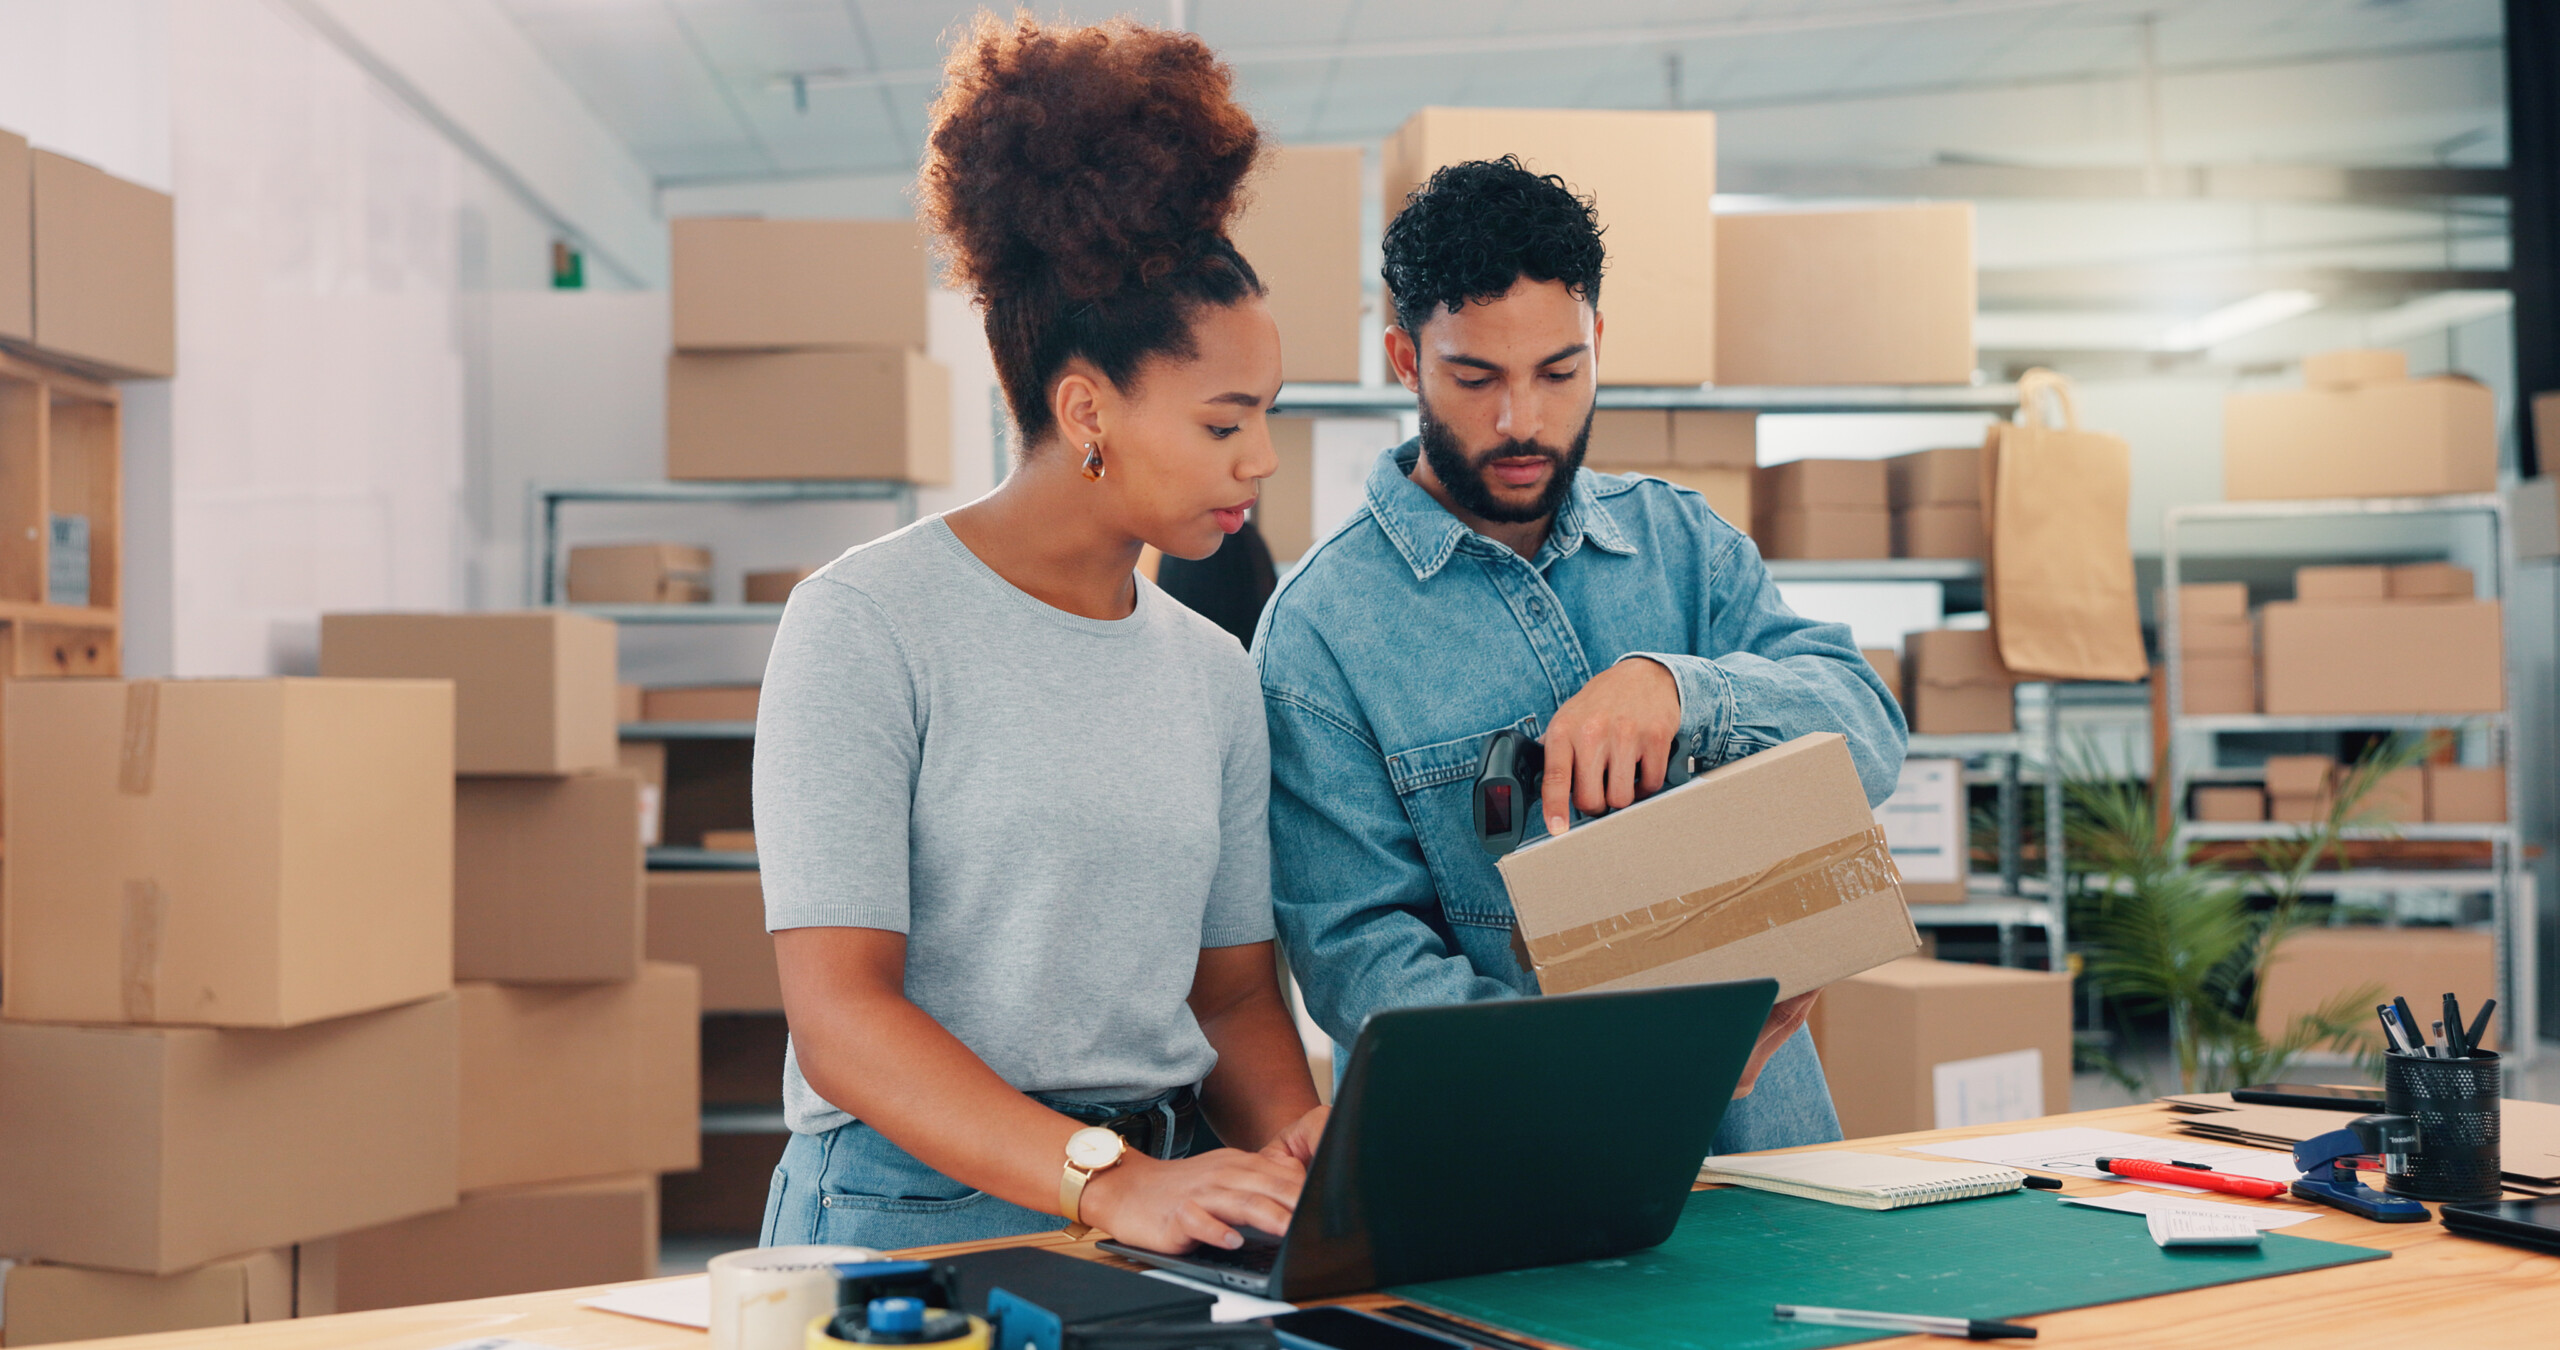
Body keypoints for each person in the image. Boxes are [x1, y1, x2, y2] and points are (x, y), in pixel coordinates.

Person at [754, 14, 1325, 1256]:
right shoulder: (863, 625)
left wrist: (1306, 1148)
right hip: (909, 1214)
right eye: (1226, 422)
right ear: (1087, 411)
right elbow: (840, 1014)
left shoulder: (1211, 671)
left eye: (1266, 417)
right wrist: (1106, 1179)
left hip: (1161, 1202)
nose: (1261, 459)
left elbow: (1227, 996)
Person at [1253, 157, 1906, 1153]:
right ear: (1403, 358)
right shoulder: (1319, 633)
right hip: (1513, 1168)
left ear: (1597, 341)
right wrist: (1618, 1059)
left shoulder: (1684, 545)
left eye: (1559, 372)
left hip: (1767, 1149)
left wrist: (1681, 690)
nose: (1522, 420)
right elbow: (1357, 960)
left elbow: (1867, 736)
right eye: (1475, 378)